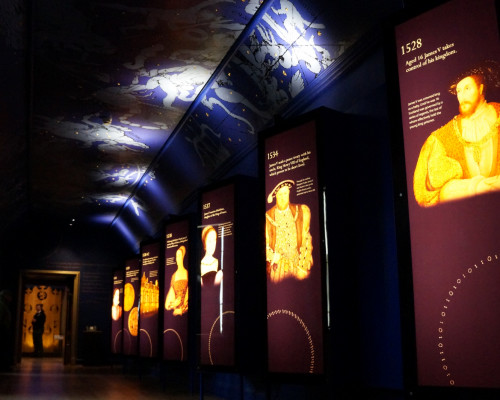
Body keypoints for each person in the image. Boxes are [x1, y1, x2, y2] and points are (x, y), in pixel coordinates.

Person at [414, 60, 500, 207]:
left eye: (467, 88)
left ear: (480, 89)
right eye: (459, 91)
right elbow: (433, 191)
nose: (462, 96)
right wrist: (478, 187)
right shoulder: (443, 136)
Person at [265, 179, 313, 283]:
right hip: (278, 269)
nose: (283, 197)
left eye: (285, 193)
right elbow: (264, 243)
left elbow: (306, 239)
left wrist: (303, 267)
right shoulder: (268, 217)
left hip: (297, 266)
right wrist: (273, 256)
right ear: (275, 196)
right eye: (280, 194)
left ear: (289, 194)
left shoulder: (300, 211)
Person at [165, 245, 189, 316]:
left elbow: (188, 294)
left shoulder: (187, 273)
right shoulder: (174, 276)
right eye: (176, 256)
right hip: (175, 312)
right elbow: (170, 295)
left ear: (183, 257)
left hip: (185, 313)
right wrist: (174, 304)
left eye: (179, 255)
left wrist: (182, 309)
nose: (177, 258)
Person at [0, 290, 13, 370]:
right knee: (3, 348)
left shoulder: (4, 304)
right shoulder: (1, 304)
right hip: (2, 330)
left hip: (4, 329)